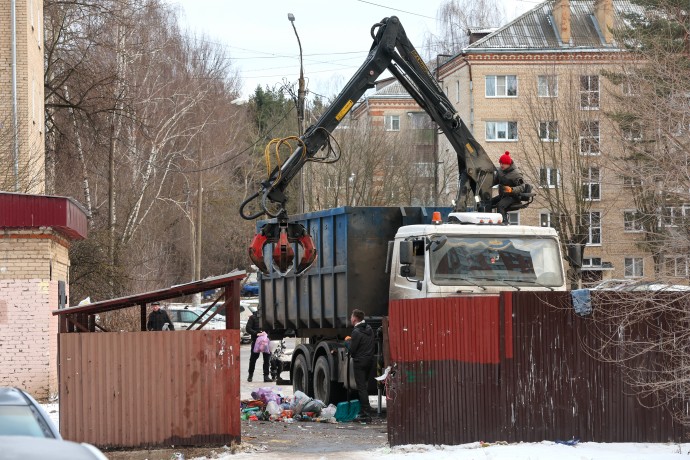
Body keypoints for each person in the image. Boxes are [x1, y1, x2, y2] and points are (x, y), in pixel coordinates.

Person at [349, 309, 375, 421]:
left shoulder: (356, 332)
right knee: (365, 385)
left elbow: (353, 350)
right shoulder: (369, 329)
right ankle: (366, 408)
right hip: (369, 360)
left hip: (359, 362)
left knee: (361, 388)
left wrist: (348, 345)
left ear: (355, 319)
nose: (350, 319)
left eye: (351, 317)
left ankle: (365, 412)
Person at [490, 151, 527, 224]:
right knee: (489, 202)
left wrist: (511, 189)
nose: (501, 165)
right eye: (500, 163)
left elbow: (522, 187)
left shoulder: (516, 173)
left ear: (508, 164)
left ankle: (504, 222)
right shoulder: (500, 171)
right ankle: (488, 220)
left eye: (503, 163)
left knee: (500, 205)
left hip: (513, 196)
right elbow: (494, 181)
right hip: (503, 195)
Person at [246, 310, 271, 382]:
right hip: (256, 342)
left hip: (266, 342)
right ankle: (250, 375)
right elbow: (248, 328)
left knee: (267, 359)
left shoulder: (268, 317)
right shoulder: (252, 318)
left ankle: (266, 376)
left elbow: (271, 327)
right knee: (253, 359)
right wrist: (256, 333)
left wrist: (266, 333)